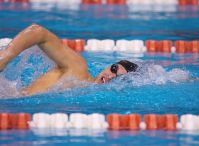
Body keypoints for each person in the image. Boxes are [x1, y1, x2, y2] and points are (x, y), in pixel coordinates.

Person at [0, 24, 138, 96]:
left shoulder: (83, 91)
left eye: (117, 78)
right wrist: (4, 58)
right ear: (109, 65)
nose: (110, 75)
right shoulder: (78, 69)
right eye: (114, 69)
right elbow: (38, 32)